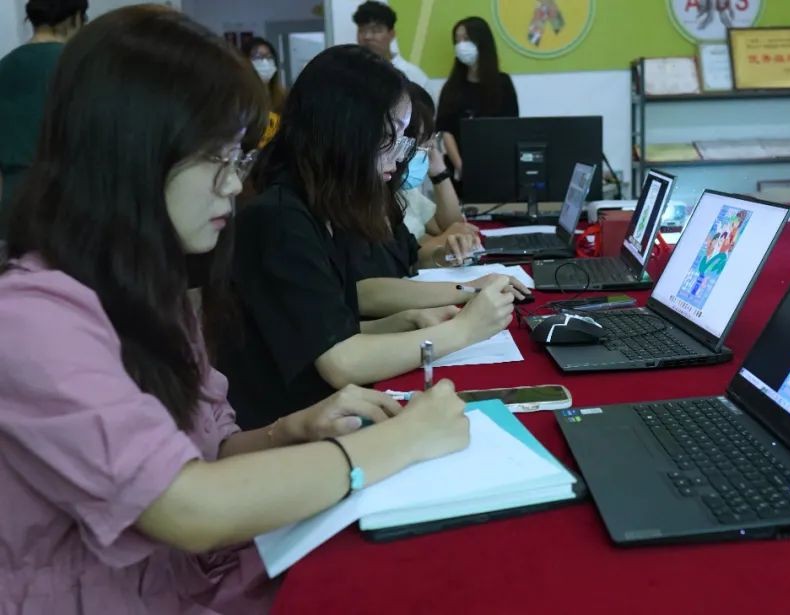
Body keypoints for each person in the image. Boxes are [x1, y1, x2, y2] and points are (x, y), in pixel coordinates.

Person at [0, 7, 468, 613]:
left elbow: (210, 450)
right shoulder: (31, 322)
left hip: (200, 575)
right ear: (133, 154)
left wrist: (292, 430)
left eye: (238, 158)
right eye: (216, 158)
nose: (231, 184)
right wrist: (401, 442)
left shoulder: (147, 291)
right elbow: (187, 506)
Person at [218, 45, 519, 430]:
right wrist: (463, 330)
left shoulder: (321, 207)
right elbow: (340, 361)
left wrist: (404, 321)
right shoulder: (280, 220)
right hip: (292, 429)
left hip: (328, 411)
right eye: (389, 139)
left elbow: (324, 328)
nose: (397, 159)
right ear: (346, 134)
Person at [0, 0, 87, 237]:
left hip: (12, 205)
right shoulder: (77, 65)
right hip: (65, 202)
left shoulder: (3, 67)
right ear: (75, 19)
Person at [398, 81, 481, 263]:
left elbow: (449, 224)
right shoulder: (376, 196)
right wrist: (444, 238)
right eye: (422, 140)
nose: (428, 146)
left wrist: (438, 171)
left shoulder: (405, 191)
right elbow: (401, 258)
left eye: (430, 139)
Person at [435, 16, 519, 185]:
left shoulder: (503, 84)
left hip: (497, 169)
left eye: (466, 39)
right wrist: (461, 167)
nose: (461, 45)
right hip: (459, 172)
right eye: (457, 40)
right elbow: (446, 131)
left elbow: (511, 126)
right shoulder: (451, 87)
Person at [353, 0, 428, 90]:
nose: (367, 37)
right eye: (362, 30)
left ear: (391, 34)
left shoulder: (413, 75)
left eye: (375, 30)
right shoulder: (349, 72)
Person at [241, 36, 286, 147]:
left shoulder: (282, 96)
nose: (265, 62)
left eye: (269, 57)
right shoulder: (240, 99)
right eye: (258, 57)